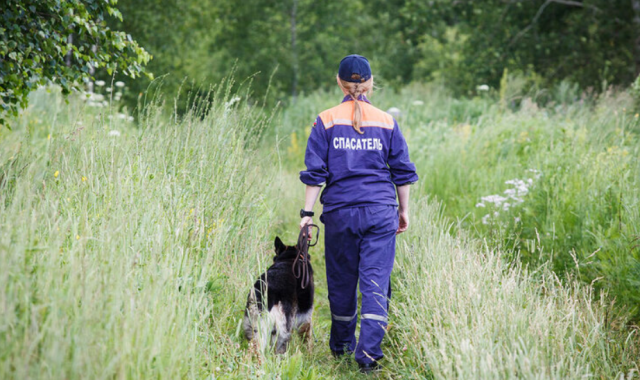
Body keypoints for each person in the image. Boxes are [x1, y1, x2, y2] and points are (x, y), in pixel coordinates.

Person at [298, 54, 419, 374]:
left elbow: (315, 173)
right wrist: (403, 210)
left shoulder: (324, 120)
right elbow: (402, 172)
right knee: (376, 282)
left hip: (340, 213)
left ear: (338, 82)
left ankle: (341, 347)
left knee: (341, 281)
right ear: (370, 84)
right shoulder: (387, 121)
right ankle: (368, 355)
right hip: (381, 212)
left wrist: (306, 214)